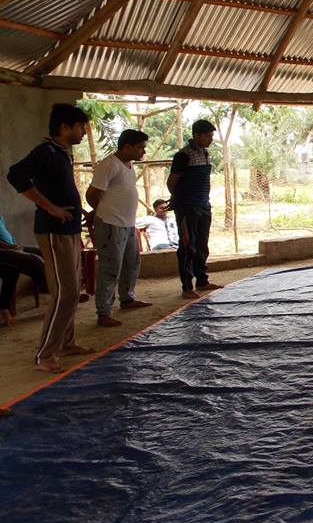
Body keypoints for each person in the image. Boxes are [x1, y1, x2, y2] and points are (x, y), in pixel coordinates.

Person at [6, 103, 94, 373]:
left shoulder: (62, 153)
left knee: (73, 289)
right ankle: (45, 355)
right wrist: (50, 208)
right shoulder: (46, 151)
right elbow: (16, 175)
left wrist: (78, 211)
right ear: (65, 127)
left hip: (69, 230)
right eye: (80, 127)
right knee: (65, 292)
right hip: (53, 231)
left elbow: (59, 188)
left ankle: (66, 343)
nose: (83, 132)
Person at [85, 129, 153, 327]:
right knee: (110, 267)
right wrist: (103, 212)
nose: (143, 152)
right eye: (140, 147)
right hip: (110, 224)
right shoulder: (109, 165)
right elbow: (91, 195)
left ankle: (127, 298)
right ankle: (103, 312)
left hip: (128, 223)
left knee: (132, 262)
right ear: (127, 147)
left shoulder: (129, 164)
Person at [168, 119, 221, 299]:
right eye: (207, 135)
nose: (211, 139)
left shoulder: (205, 153)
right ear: (197, 135)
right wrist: (181, 199)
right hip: (187, 207)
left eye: (211, 135)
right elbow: (171, 183)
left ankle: (202, 280)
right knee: (187, 245)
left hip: (203, 205)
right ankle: (187, 286)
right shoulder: (183, 155)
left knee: (202, 243)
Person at [0, 211, 47, 326]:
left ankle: (63, 290)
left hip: (11, 246)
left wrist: (14, 245)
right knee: (34, 260)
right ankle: (56, 293)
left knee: (43, 251)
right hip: (3, 250)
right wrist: (9, 247)